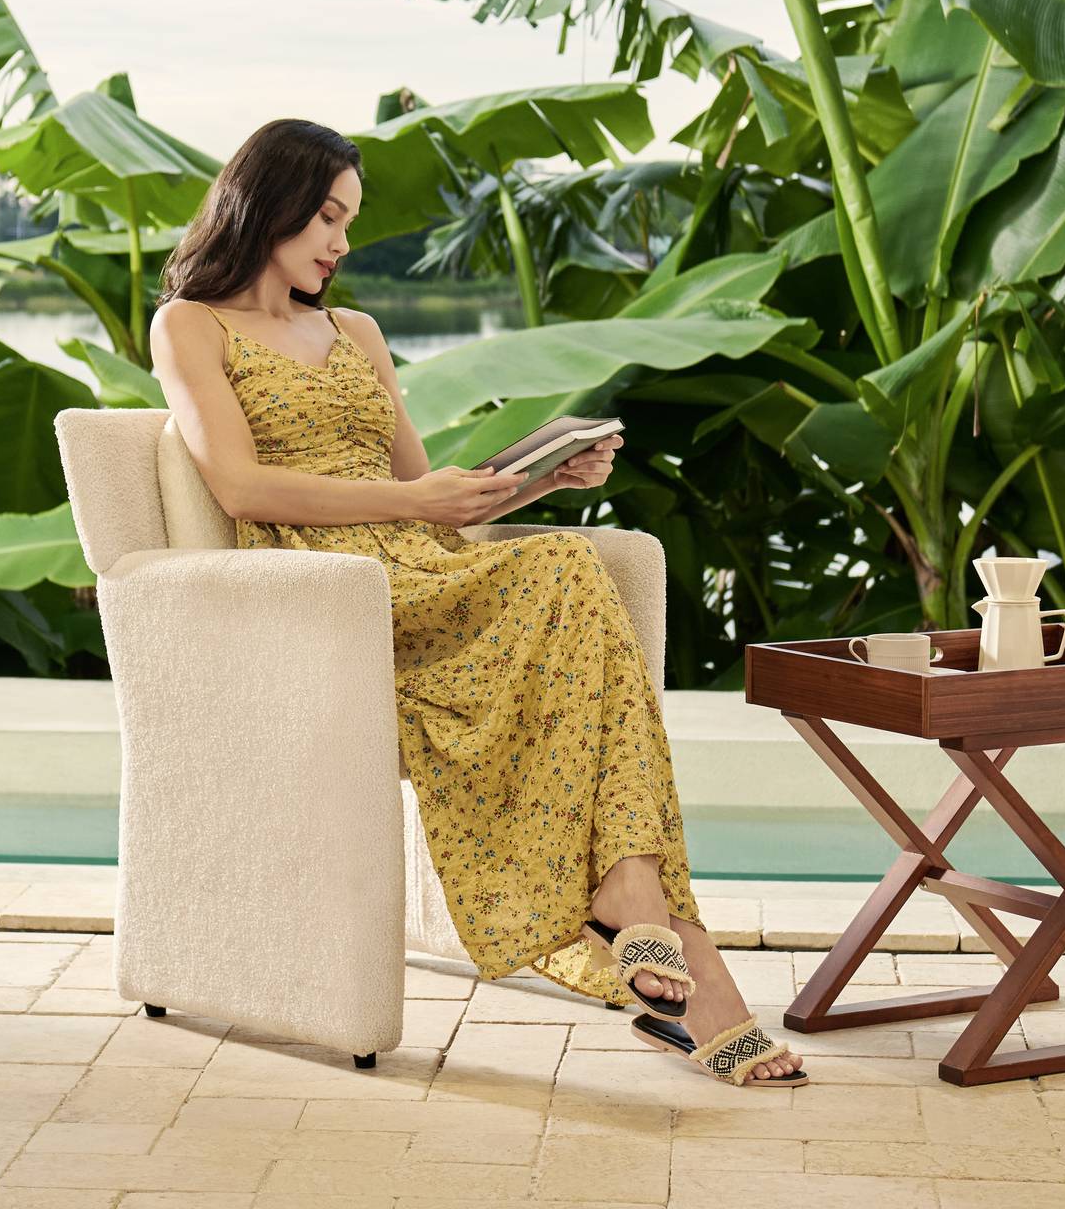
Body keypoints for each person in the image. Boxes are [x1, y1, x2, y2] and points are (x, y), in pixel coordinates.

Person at [149, 118, 808, 1087]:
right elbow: (243, 487)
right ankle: (658, 931)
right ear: (271, 203)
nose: (340, 242)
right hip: (326, 604)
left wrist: (544, 482)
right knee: (571, 583)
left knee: (574, 564)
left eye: (348, 222)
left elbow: (438, 500)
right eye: (327, 217)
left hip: (424, 567)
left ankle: (634, 895)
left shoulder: (357, 331)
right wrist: (411, 504)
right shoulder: (190, 324)